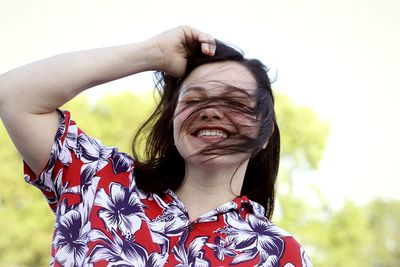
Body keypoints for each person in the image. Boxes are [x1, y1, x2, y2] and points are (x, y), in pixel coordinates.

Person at [0, 26, 312, 266]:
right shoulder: (100, 182)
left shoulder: (280, 255)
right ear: (173, 121)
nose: (211, 110)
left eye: (233, 101)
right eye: (194, 99)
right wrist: (154, 55)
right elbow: (13, 95)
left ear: (266, 130)